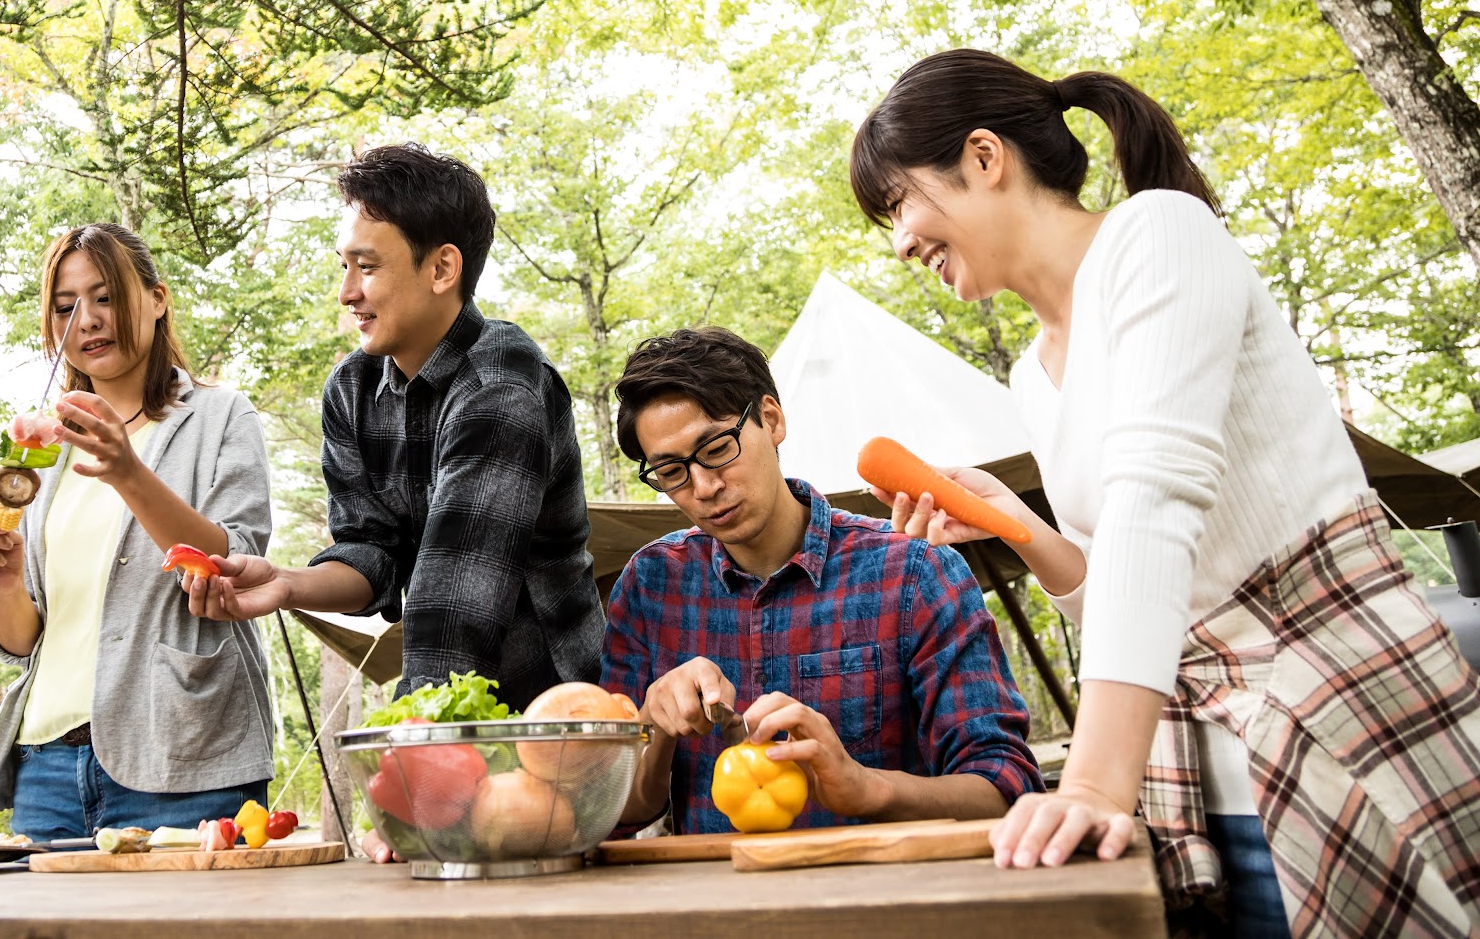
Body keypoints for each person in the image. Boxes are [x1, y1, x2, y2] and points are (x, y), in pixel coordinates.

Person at [852, 49, 1480, 936]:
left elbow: (1156, 507)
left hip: (1341, 723)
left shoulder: (1161, 236)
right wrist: (1019, 527)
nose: (900, 241)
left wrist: (1093, 783)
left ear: (985, 158)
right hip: (1194, 785)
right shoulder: (1033, 375)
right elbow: (1133, 590)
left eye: (899, 203)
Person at [182, 143, 606, 707]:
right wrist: (288, 585)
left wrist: (415, 738)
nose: (346, 292)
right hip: (455, 706)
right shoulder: (352, 391)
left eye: (368, 267)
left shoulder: (503, 383)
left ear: (441, 268)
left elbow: (456, 604)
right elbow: (371, 553)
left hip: (554, 708)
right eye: (344, 266)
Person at [603, 326, 1043, 836]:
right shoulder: (651, 587)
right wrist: (655, 729)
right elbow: (614, 807)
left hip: (883, 901)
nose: (703, 487)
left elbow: (1006, 788)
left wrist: (864, 787)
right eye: (671, 471)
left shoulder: (913, 573)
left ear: (771, 419)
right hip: (713, 909)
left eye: (717, 448)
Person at [0, 223, 276, 841]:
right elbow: (25, 642)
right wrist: (4, 587)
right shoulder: (41, 448)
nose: (88, 319)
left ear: (157, 300)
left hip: (184, 759)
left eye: (106, 296)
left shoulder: (219, 417)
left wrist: (129, 472)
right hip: (45, 763)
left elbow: (236, 564)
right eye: (65, 306)